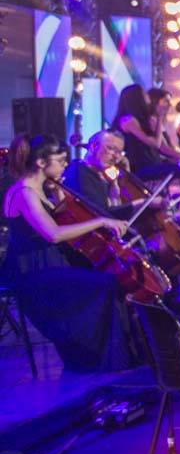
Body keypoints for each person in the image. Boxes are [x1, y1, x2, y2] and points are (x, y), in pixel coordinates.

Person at [1, 134, 139, 372]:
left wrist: (58, 191)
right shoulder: (25, 193)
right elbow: (53, 234)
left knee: (111, 278)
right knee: (105, 284)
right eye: (61, 160)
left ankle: (115, 356)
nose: (66, 164)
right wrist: (101, 222)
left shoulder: (42, 188)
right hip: (33, 272)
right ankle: (98, 358)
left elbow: (64, 213)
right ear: (42, 162)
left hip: (51, 264)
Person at [62, 130, 135, 219]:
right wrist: (138, 204)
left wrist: (124, 176)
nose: (116, 156)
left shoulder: (106, 177)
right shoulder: (78, 172)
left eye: (119, 152)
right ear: (93, 146)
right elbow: (100, 214)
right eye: (111, 148)